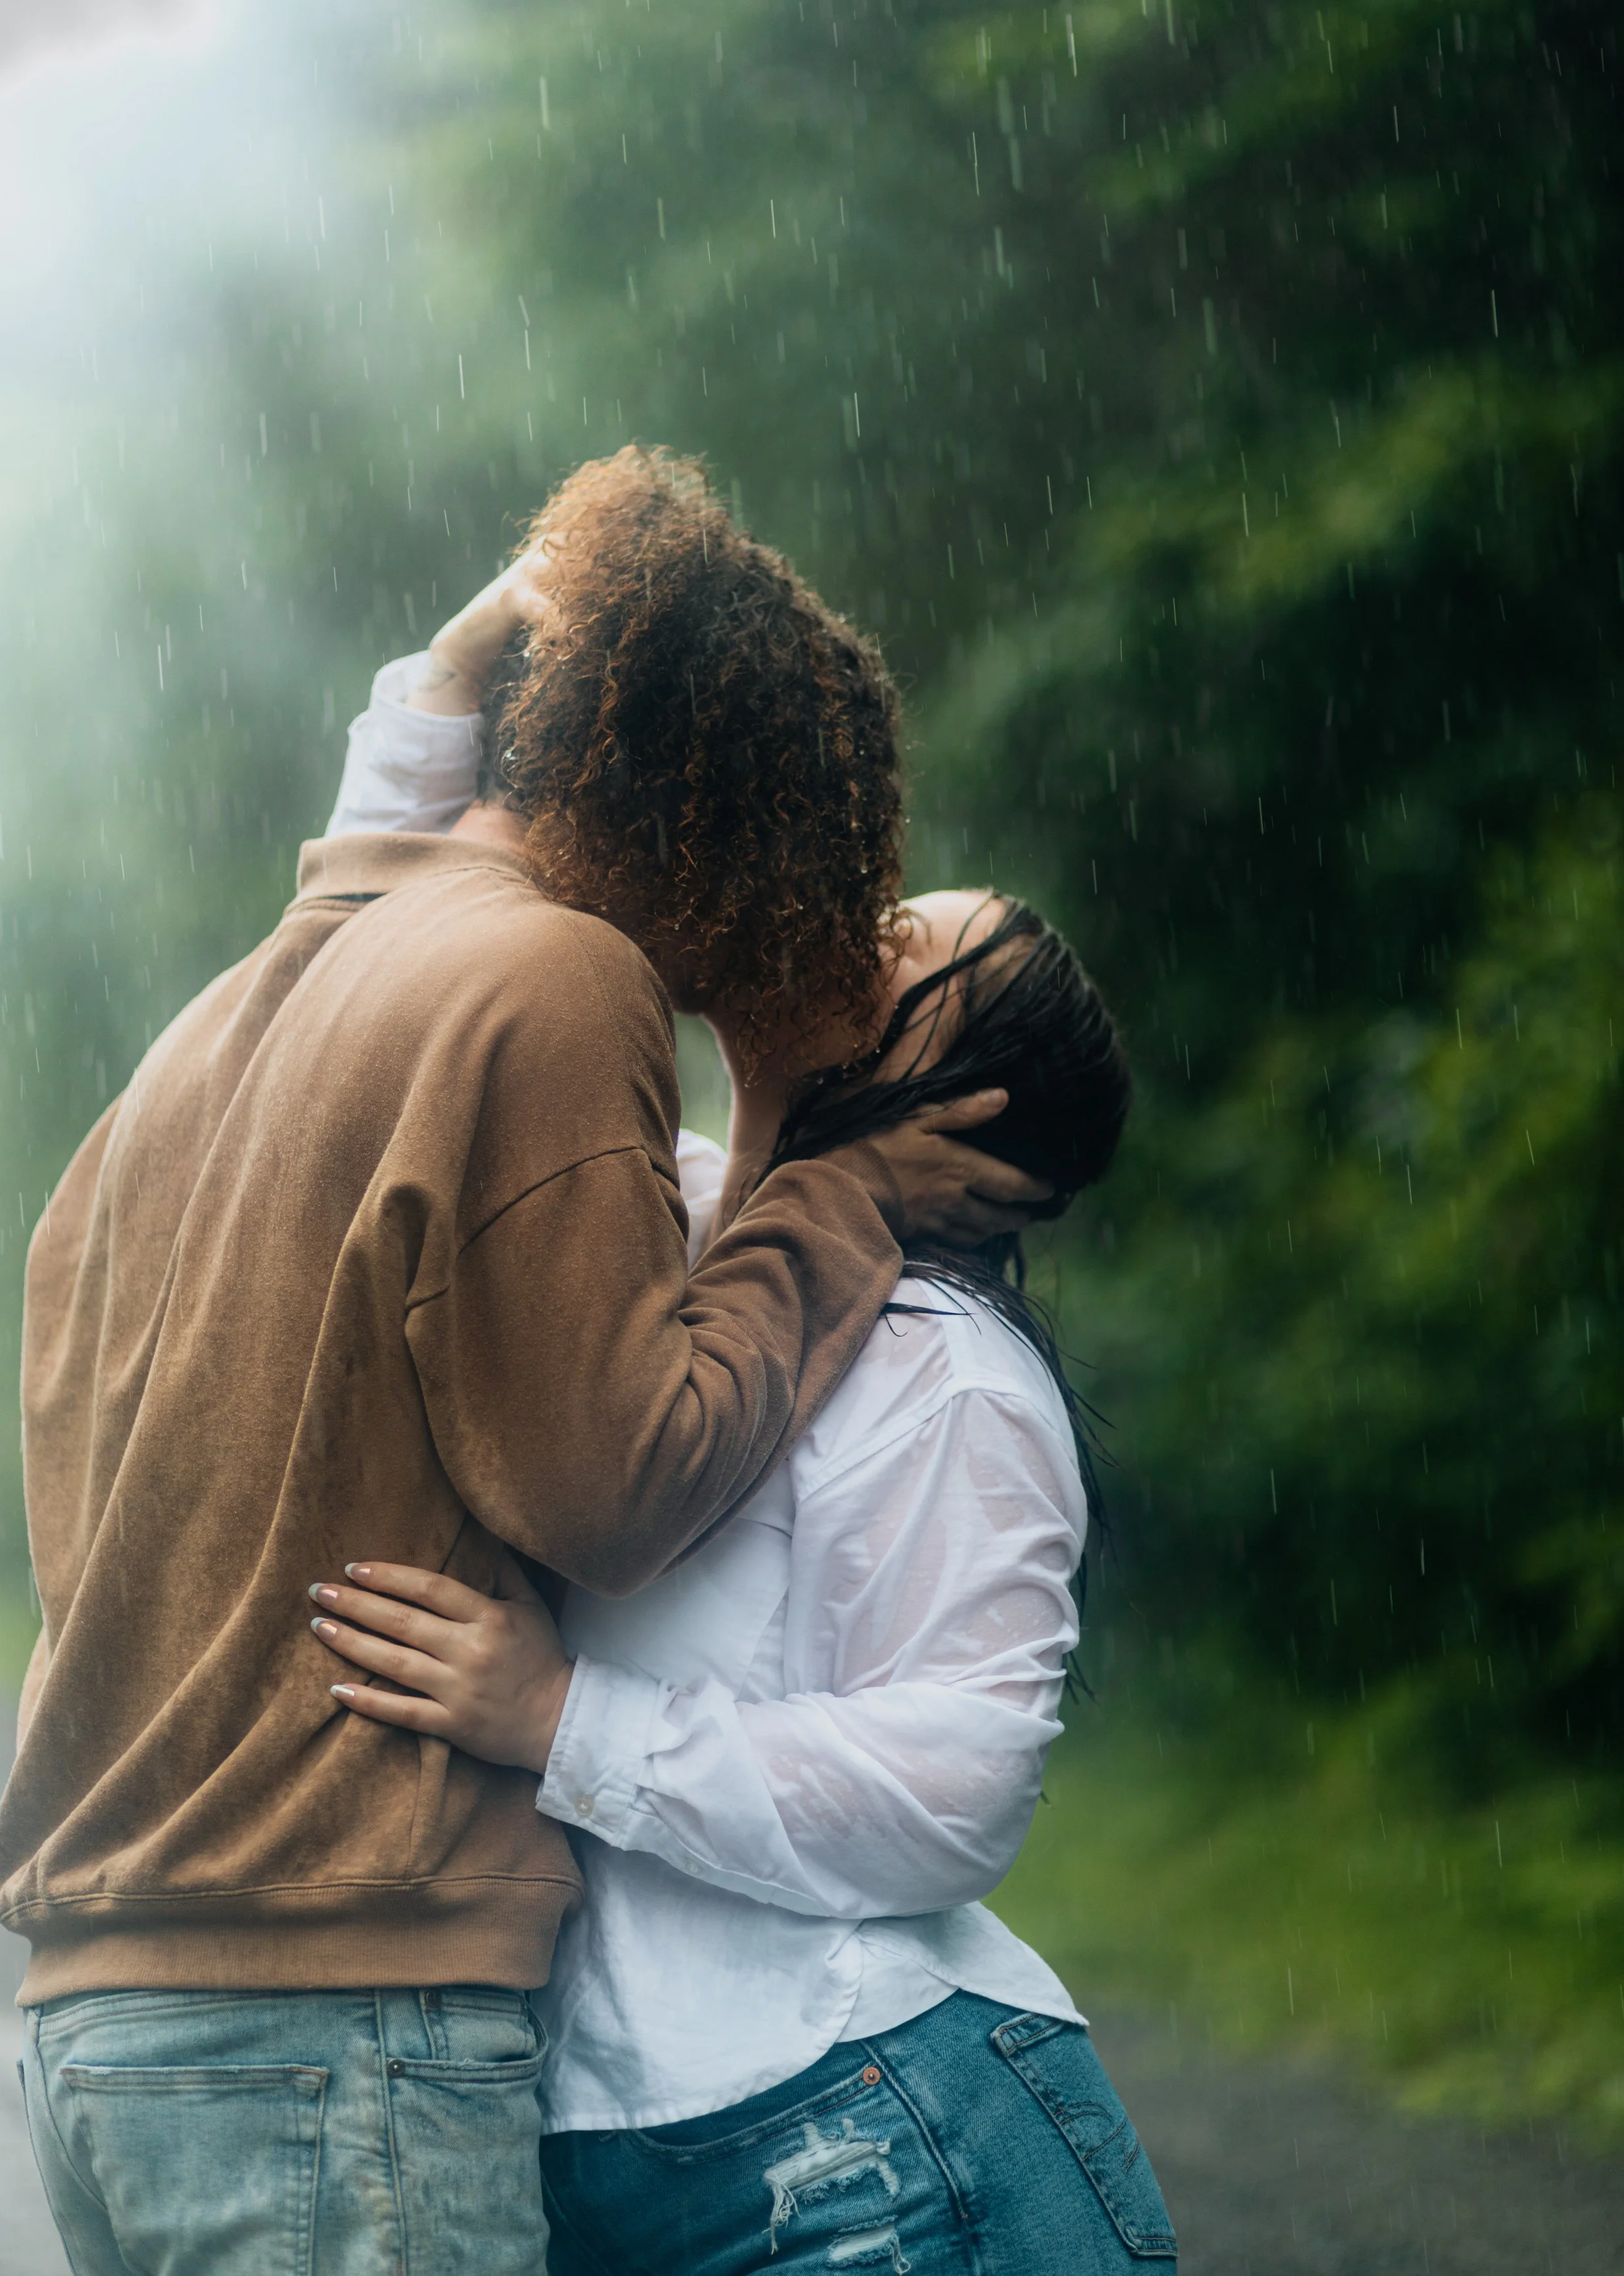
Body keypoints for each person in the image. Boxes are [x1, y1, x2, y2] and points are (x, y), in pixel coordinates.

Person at [0, 447, 1050, 2276]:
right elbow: (614, 1484)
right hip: (334, 2029)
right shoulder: (554, 978)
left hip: (107, 2021)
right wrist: (849, 1191)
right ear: (746, 834)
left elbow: (370, 887)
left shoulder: (234, 1018)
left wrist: (444, 685)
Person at [294, 626, 1177, 2271]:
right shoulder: (662, 1215)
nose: (851, 921)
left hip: (881, 2145)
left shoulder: (949, 1377)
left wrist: (565, 1723)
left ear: (959, 1098)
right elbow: (372, 1008)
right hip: (616, 2163)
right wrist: (430, 702)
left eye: (902, 944)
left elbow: (961, 1783)